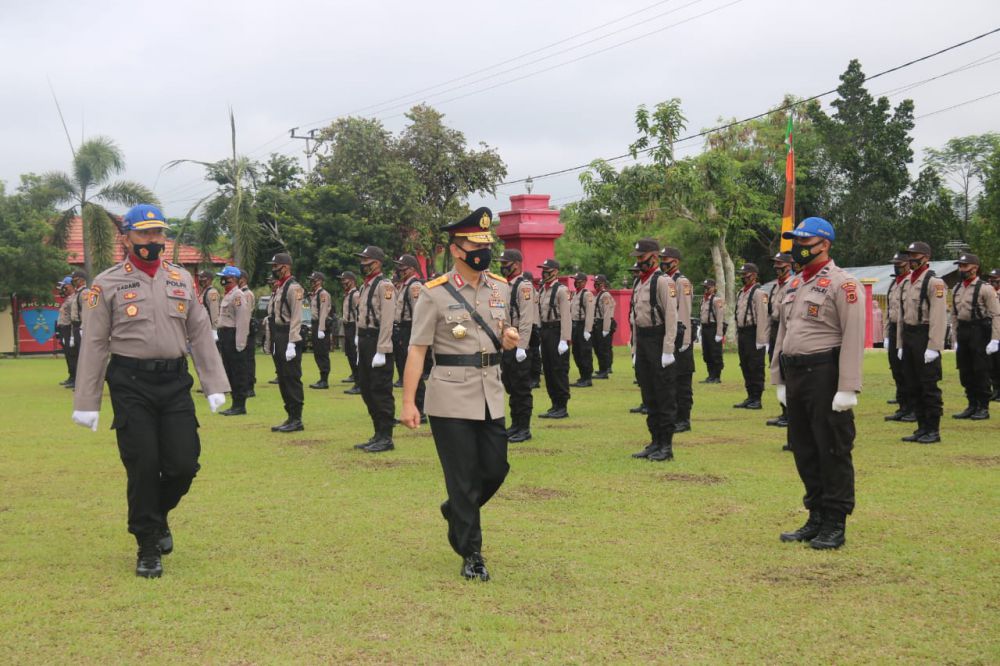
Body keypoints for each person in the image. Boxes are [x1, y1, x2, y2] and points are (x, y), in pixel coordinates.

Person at [70, 203, 229, 578]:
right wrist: (87, 402)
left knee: (183, 465)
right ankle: (146, 545)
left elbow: (199, 333)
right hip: (131, 383)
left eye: (158, 233)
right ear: (126, 238)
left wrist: (214, 383)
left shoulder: (181, 279)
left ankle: (156, 517)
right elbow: (94, 343)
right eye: (144, 233)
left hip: (174, 382)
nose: (152, 240)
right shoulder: (106, 284)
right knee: (143, 465)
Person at [400, 206, 519, 582]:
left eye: (486, 242)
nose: (482, 250)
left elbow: (500, 335)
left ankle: (456, 509)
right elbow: (417, 349)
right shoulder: (433, 294)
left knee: (496, 467)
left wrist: (510, 340)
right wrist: (408, 402)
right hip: (450, 395)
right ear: (456, 249)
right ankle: (471, 553)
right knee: (463, 475)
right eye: (473, 243)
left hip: (490, 391)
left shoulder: (501, 287)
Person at [772, 216, 864, 550]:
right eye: (796, 241)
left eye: (805, 241)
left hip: (825, 373)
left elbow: (854, 336)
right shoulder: (795, 284)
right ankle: (815, 515)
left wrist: (848, 386)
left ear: (824, 244)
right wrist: (778, 376)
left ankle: (835, 522)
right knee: (804, 448)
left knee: (832, 449)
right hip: (795, 373)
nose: (798, 247)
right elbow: (783, 332)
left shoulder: (843, 284)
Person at [628, 238, 679, 462]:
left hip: (659, 340)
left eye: (642, 257)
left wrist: (668, 349)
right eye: (637, 258)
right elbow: (635, 319)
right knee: (648, 395)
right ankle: (655, 440)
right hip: (644, 341)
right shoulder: (639, 282)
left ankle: (666, 445)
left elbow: (671, 316)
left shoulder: (663, 281)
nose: (639, 262)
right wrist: (635, 349)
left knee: (663, 395)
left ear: (654, 257)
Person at [897, 241, 947, 444]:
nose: (911, 259)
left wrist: (934, 347)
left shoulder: (934, 283)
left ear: (926, 258)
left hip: (924, 335)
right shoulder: (906, 282)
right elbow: (901, 315)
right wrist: (900, 343)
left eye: (915, 255)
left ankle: (932, 429)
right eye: (909, 255)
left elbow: (938, 317)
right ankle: (920, 427)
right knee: (912, 384)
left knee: (928, 385)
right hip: (909, 336)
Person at [354, 246, 397, 452]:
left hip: (378, 340)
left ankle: (386, 436)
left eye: (366, 260)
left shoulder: (385, 286)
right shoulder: (365, 287)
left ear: (377, 263)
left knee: (380, 389)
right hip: (365, 340)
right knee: (366, 387)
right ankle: (377, 432)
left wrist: (382, 349)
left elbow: (387, 320)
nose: (363, 264)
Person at [949, 253, 1000, 420]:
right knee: (965, 370)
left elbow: (996, 315)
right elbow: (955, 316)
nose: (961, 269)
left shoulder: (985, 288)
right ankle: (971, 404)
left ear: (975, 268)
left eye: (964, 266)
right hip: (963, 331)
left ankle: (983, 406)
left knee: (980, 370)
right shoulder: (957, 288)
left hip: (979, 331)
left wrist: (995, 339)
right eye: (960, 266)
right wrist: (955, 338)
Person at [499, 248, 536, 442]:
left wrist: (522, 345)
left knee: (521, 386)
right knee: (511, 384)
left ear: (517, 264)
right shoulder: (505, 285)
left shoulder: (524, 286)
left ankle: (524, 427)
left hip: (519, 343)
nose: (503, 267)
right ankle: (515, 424)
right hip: (507, 342)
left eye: (506, 263)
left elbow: (526, 318)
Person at [266, 252, 306, 433]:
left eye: (276, 267)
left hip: (290, 335)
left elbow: (298, 316)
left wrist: (293, 341)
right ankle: (290, 415)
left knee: (291, 377)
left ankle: (297, 418)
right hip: (278, 334)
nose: (274, 270)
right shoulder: (280, 287)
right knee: (282, 377)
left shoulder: (293, 288)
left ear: (286, 267)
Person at [660, 247, 694, 432]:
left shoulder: (682, 282)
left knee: (682, 379)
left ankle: (684, 418)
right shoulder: (665, 281)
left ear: (676, 262)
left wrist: (686, 338)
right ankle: (673, 416)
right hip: (668, 335)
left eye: (666, 259)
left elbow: (685, 311)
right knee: (669, 379)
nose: (663, 262)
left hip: (680, 336)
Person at [214, 266, 252, 416]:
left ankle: (240, 405)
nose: (222, 280)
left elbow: (243, 321)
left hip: (234, 336)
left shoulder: (238, 295)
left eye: (225, 277)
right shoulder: (228, 294)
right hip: (225, 336)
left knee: (238, 372)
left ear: (233, 279)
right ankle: (234, 404)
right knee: (229, 371)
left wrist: (240, 343)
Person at [392, 254, 427, 417]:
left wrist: (414, 336)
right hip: (402, 329)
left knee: (415, 372)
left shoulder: (414, 287)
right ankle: (415, 406)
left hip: (409, 329)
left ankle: (421, 409)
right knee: (405, 369)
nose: (399, 271)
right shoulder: (403, 285)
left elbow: (417, 314)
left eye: (403, 268)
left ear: (412, 269)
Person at [537, 259, 572, 418]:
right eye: (543, 269)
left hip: (557, 331)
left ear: (555, 271)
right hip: (545, 331)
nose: (544, 272)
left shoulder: (561, 290)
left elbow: (566, 316)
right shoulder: (542, 290)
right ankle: (554, 404)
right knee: (548, 370)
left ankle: (562, 406)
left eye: (547, 269)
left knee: (558, 369)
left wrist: (564, 339)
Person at [883, 252, 915, 423]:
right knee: (897, 370)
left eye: (900, 263)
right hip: (894, 329)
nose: (897, 266)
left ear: (909, 264)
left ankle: (913, 408)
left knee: (908, 371)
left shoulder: (911, 283)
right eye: (895, 263)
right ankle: (903, 406)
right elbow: (889, 312)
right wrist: (887, 334)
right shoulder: (893, 284)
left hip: (907, 329)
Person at [734, 263, 769, 410]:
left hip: (754, 332)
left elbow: (762, 317)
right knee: (745, 365)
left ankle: (757, 398)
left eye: (746, 274)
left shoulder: (759, 293)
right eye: (742, 274)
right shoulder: (741, 292)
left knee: (755, 366)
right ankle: (750, 396)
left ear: (754, 275)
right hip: (743, 332)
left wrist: (762, 340)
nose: (743, 277)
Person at [765, 253, 793, 428]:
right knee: (777, 370)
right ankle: (784, 411)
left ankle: (791, 413)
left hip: (787, 329)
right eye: (775, 265)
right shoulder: (776, 286)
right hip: (775, 328)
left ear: (788, 266)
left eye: (779, 264)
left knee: (788, 372)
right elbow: (771, 312)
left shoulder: (793, 285)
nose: (776, 268)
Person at [307, 271, 333, 389]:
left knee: (322, 353)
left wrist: (321, 328)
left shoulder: (323, 294)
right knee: (317, 352)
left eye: (314, 280)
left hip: (320, 325)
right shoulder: (315, 294)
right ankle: (322, 378)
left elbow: (323, 312)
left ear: (320, 281)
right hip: (315, 324)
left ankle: (324, 380)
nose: (312, 282)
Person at [570, 272, 596, 388]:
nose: (576, 282)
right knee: (576, 352)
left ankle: (587, 377)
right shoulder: (575, 294)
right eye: (575, 280)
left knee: (584, 352)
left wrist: (587, 330)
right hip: (575, 325)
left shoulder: (587, 294)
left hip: (583, 325)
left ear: (584, 282)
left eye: (578, 281)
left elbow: (590, 313)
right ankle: (582, 376)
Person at [65, 270, 89, 389]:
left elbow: (86, 312)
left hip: (81, 327)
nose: (74, 282)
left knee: (83, 357)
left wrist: (83, 328)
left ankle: (84, 383)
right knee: (77, 356)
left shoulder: (85, 293)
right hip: (76, 327)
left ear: (82, 280)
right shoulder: (77, 293)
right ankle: (79, 382)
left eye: (76, 280)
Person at [339, 271, 362, 395]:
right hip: (347, 326)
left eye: (345, 280)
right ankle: (355, 376)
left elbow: (359, 314)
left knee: (354, 354)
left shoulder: (355, 295)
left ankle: (359, 383)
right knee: (349, 353)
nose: (343, 283)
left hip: (354, 326)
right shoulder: (347, 295)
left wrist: (357, 333)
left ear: (352, 281)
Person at [699, 278, 725, 383]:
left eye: (708, 287)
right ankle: (710, 375)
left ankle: (717, 376)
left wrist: (719, 333)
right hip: (705, 329)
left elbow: (720, 318)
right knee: (707, 353)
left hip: (713, 328)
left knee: (715, 353)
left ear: (714, 288)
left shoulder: (717, 300)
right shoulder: (703, 300)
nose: (705, 289)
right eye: (704, 287)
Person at [592, 275, 616, 379]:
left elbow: (607, 312)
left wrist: (606, 328)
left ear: (602, 283)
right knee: (598, 347)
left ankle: (605, 370)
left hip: (604, 322)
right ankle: (603, 368)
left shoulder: (605, 295)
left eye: (597, 282)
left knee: (604, 348)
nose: (595, 284)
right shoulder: (599, 295)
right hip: (598, 322)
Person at [238, 271, 257, 397]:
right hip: (241, 329)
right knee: (242, 359)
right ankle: (243, 384)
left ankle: (250, 386)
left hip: (247, 329)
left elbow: (247, 314)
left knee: (248, 359)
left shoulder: (247, 294)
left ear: (243, 279)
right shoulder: (239, 293)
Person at [524, 270, 542, 389]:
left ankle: (535, 379)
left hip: (532, 324)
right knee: (531, 353)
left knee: (533, 353)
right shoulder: (532, 290)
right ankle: (532, 378)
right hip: (532, 324)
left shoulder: (529, 290)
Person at [56, 276, 75, 386]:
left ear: (70, 286)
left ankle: (75, 378)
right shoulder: (68, 299)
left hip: (69, 329)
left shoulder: (73, 299)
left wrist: (72, 334)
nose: (62, 288)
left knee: (72, 355)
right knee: (68, 355)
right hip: (64, 329)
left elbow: (74, 317)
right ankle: (71, 376)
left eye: (64, 286)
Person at [197, 269, 221, 343]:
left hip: (209, 328)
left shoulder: (212, 292)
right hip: (202, 327)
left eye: (204, 279)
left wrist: (214, 330)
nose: (201, 281)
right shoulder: (203, 292)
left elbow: (214, 312)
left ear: (210, 280)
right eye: (200, 279)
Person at [990, 268, 1000, 402]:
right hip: (993, 333)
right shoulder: (991, 294)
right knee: (993, 364)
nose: (992, 283)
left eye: (995, 280)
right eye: (991, 280)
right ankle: (996, 390)